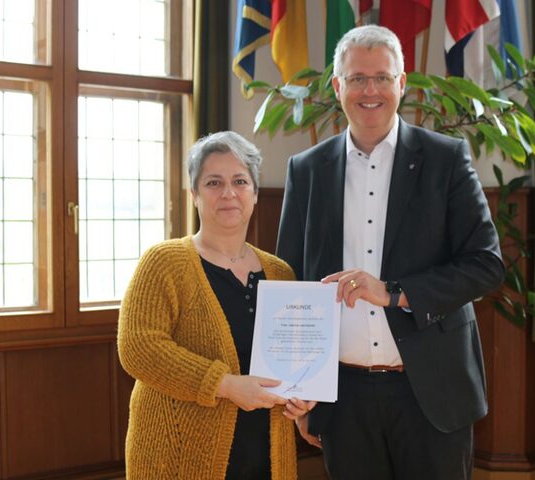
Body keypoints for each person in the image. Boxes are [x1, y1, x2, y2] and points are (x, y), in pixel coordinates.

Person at [276, 25, 505, 480]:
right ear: (338, 86)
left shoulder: (446, 159)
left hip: (431, 393)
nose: (370, 90)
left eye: (382, 77)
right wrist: (298, 390)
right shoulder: (307, 170)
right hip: (343, 397)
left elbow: (486, 265)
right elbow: (292, 283)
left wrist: (395, 293)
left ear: (402, 83)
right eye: (358, 78)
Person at [118, 131, 298, 479]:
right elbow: (138, 347)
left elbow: (294, 363)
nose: (229, 193)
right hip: (178, 456)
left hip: (265, 453)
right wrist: (226, 385)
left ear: (255, 194)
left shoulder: (280, 273)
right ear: (194, 195)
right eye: (214, 182)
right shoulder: (163, 261)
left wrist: (301, 398)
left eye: (240, 181)